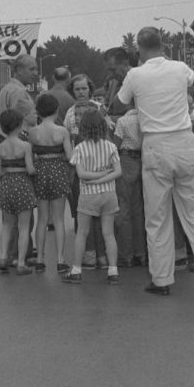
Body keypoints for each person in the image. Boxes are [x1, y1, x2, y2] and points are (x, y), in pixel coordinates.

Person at [111, 27, 194, 299]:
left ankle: (162, 279)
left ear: (139, 48)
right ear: (163, 44)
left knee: (157, 217)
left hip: (156, 145)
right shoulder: (179, 68)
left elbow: (118, 105)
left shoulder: (135, 74)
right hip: (185, 141)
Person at [62, 107, 120, 285]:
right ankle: (113, 271)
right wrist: (104, 175)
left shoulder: (80, 148)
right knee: (108, 234)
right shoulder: (111, 146)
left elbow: (82, 174)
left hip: (88, 195)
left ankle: (77, 270)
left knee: (82, 233)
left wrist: (94, 180)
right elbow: (118, 172)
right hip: (109, 194)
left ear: (83, 127)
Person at [27, 92, 72, 273]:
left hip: (40, 172)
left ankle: (39, 259)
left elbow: (30, 156)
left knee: (42, 219)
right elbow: (70, 156)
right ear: (56, 110)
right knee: (59, 219)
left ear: (38, 111)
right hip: (58, 172)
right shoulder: (62, 131)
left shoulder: (33, 132)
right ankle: (60, 259)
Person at [0, 109, 36, 276]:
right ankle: (21, 263)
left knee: (7, 225)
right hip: (23, 185)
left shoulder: (0, 148)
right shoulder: (25, 146)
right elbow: (30, 169)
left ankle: (3, 257)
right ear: (19, 125)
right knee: (24, 227)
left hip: (7, 186)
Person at [112, 106, 146, 268]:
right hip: (142, 161)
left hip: (125, 161)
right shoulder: (147, 118)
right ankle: (141, 252)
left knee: (123, 208)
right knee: (138, 210)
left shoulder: (123, 121)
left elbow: (115, 145)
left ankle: (126, 254)